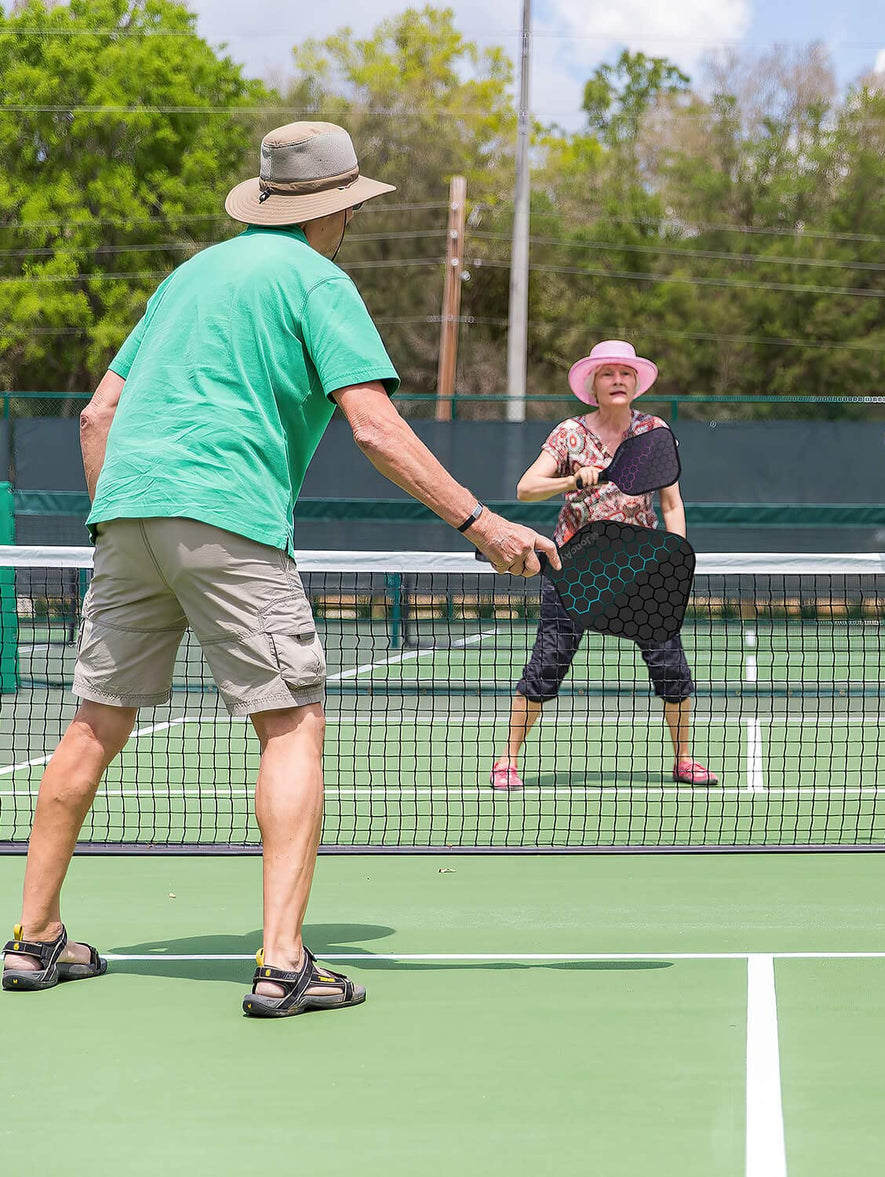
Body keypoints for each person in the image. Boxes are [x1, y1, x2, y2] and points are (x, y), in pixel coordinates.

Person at [1, 122, 557, 1016]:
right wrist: (479, 521)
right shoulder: (318, 280)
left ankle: (33, 940)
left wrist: (119, 521)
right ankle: (283, 959)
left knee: (94, 725)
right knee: (291, 723)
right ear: (334, 209)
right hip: (228, 516)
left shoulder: (186, 276)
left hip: (125, 516)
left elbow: (96, 416)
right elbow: (373, 427)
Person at [491, 340, 717, 791]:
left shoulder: (653, 431)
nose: (618, 380)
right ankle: (508, 760)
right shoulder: (569, 434)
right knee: (547, 664)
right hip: (575, 568)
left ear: (636, 383)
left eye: (625, 373)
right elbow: (526, 488)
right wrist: (575, 478)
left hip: (642, 570)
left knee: (671, 667)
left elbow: (671, 504)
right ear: (593, 385)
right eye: (608, 373)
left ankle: (684, 760)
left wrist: (675, 559)